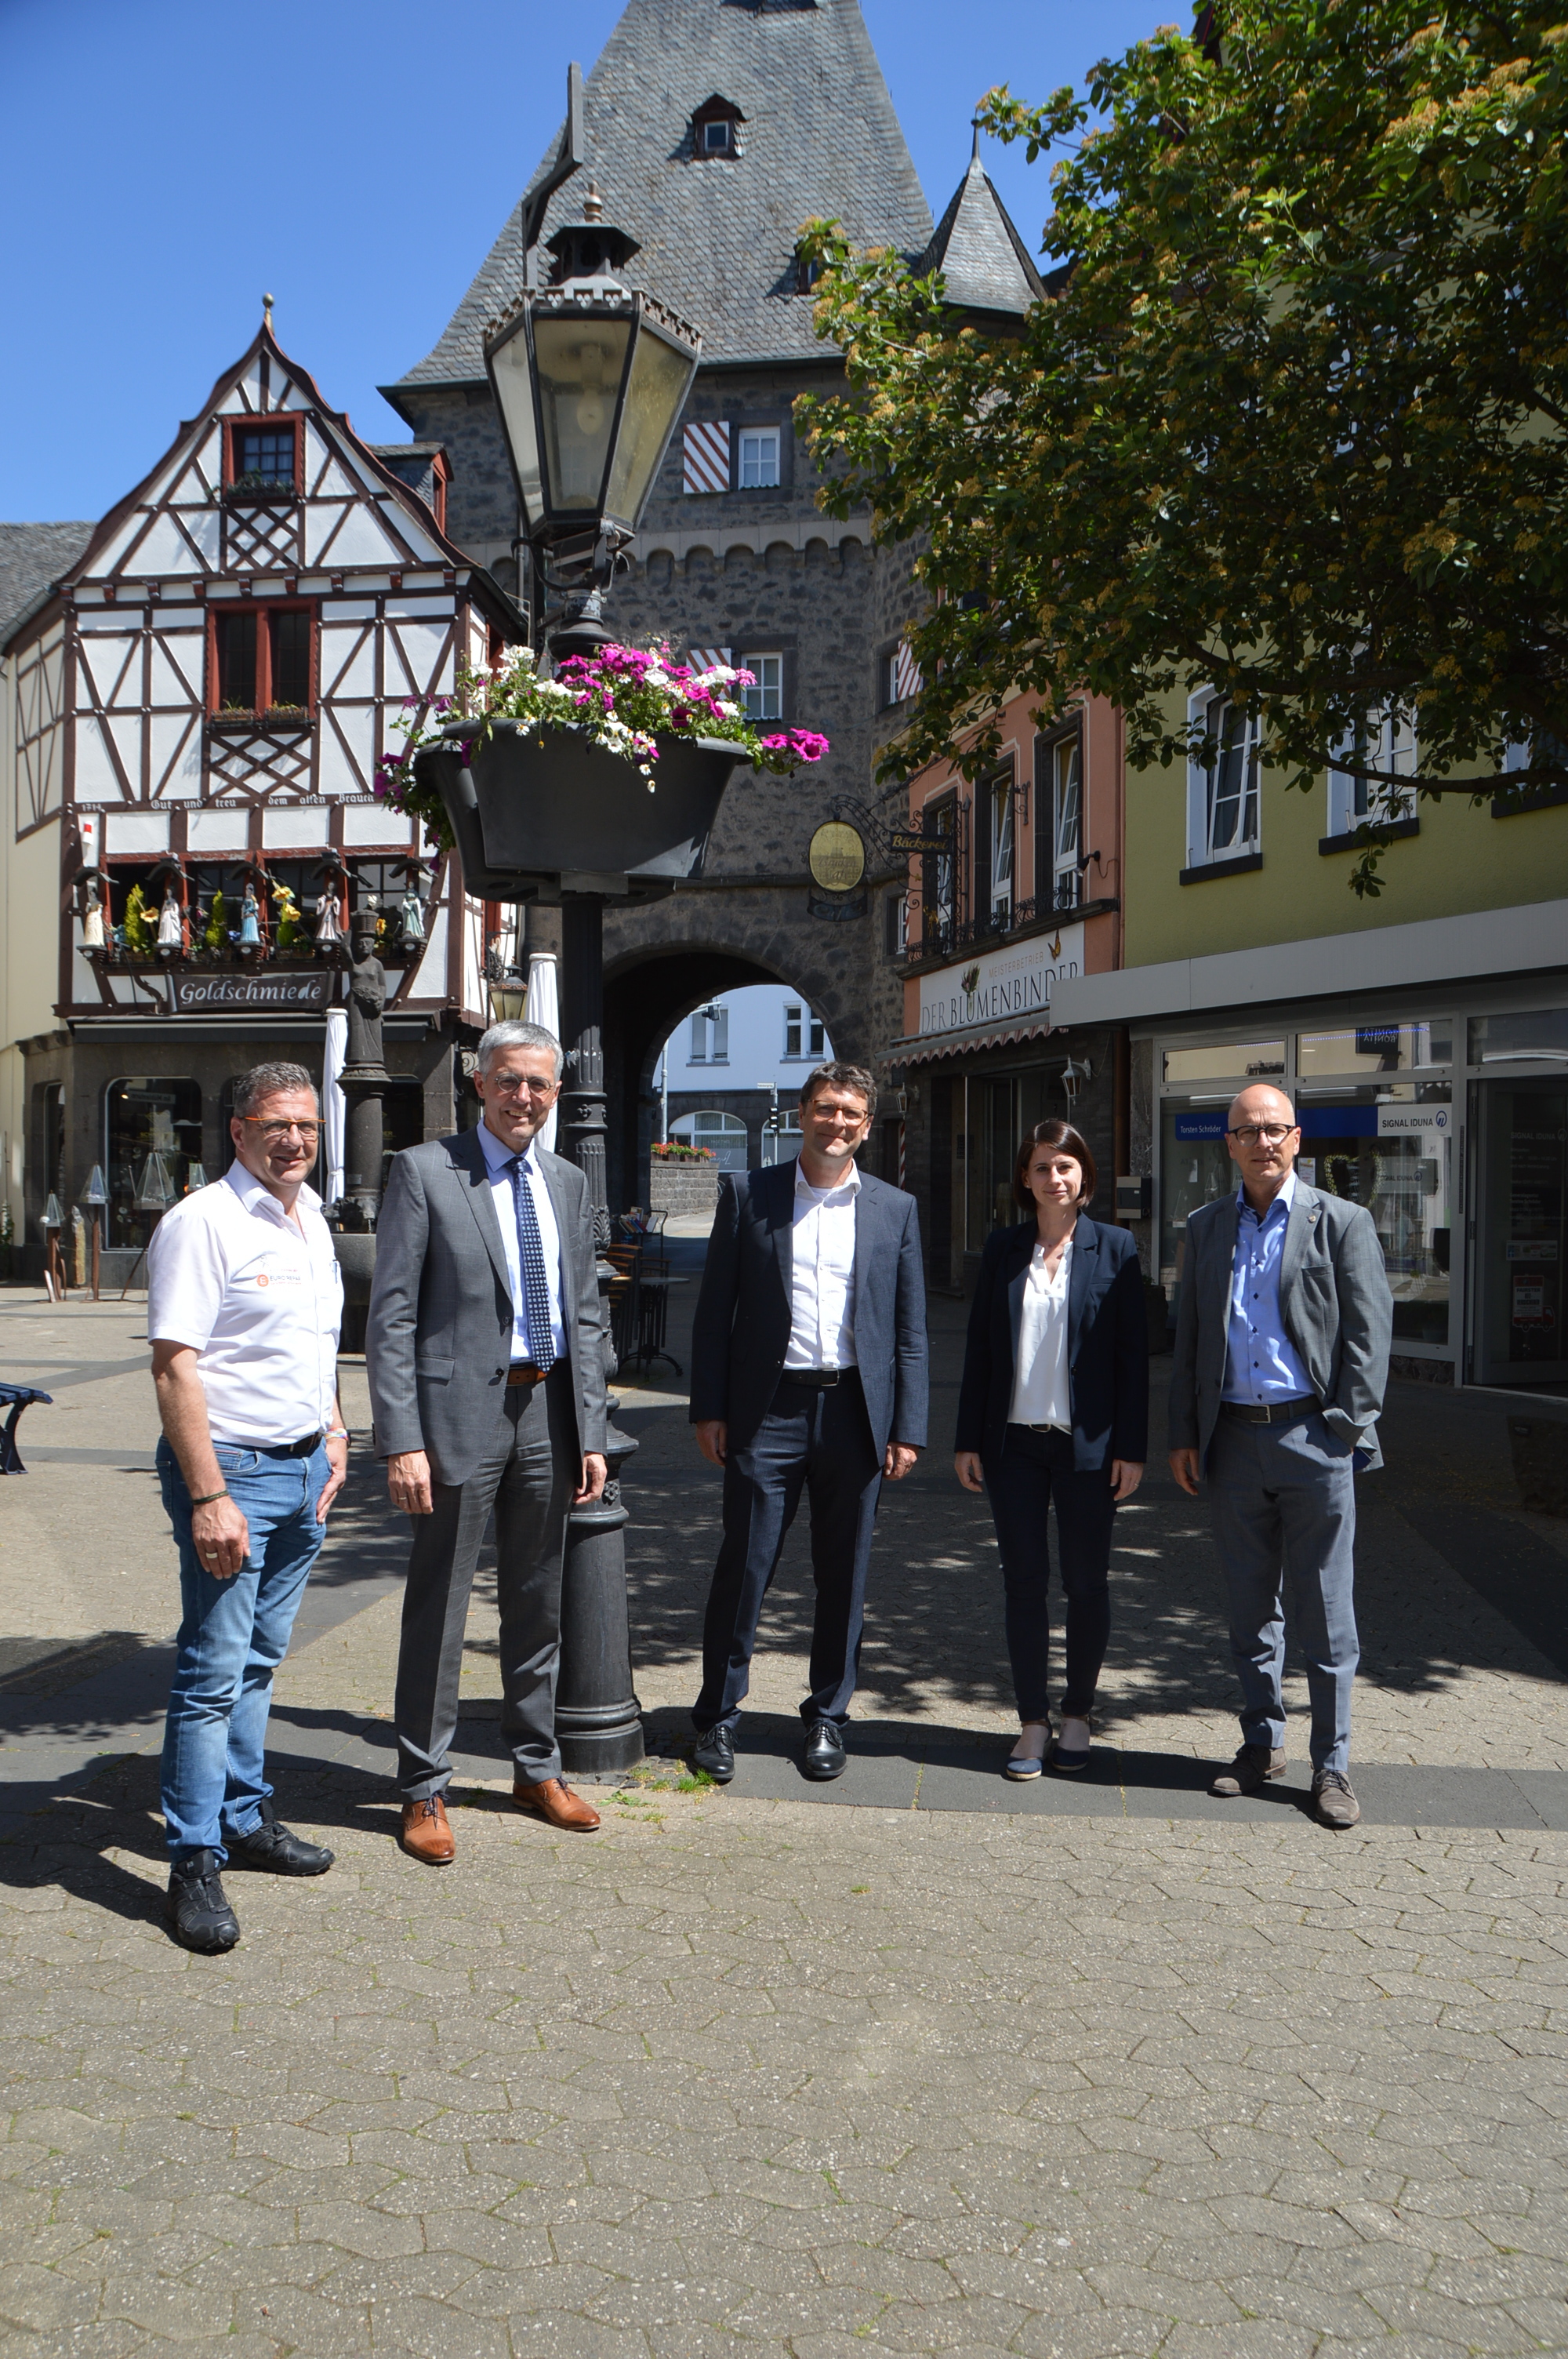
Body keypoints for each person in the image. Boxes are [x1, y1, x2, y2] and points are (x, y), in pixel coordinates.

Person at [367, 1019, 609, 1863]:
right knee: (438, 1606)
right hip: (453, 1423)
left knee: (538, 1600)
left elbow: (584, 1309)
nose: (525, 1097)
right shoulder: (425, 1171)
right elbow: (390, 1315)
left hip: (547, 1413)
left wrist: (593, 1426)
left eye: (539, 1083)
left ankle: (533, 1765)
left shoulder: (568, 1181)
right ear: (479, 1084)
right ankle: (423, 1784)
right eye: (509, 1080)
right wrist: (399, 1437)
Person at [147, 1061, 348, 1954]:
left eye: (307, 1124)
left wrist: (336, 1432)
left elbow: (314, 1343)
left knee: (262, 1659)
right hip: (233, 1475)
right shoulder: (202, 1222)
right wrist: (208, 1496)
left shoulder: (309, 1217)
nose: (296, 1140)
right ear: (238, 1130)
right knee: (210, 1671)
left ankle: (242, 1814)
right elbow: (174, 1365)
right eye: (277, 1124)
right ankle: (192, 1859)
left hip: (304, 1470)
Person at [688, 1060, 928, 1784]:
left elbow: (911, 1330)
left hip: (855, 1412)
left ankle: (827, 1715)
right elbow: (713, 1314)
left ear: (867, 1124)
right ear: (802, 1112)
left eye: (851, 1113)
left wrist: (908, 1426)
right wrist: (709, 1409)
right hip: (769, 1412)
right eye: (826, 1109)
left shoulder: (894, 1208)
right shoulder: (749, 1193)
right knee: (746, 1566)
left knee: (844, 1572)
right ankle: (718, 1718)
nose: (837, 1124)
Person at [1168, 1081, 1392, 1829]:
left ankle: (1333, 1768)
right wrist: (1182, 1435)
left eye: (1275, 1130)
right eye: (1247, 1131)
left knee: (1326, 1613)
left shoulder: (1343, 1221)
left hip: (1312, 1438)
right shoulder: (1204, 1228)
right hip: (1230, 1440)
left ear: (1297, 1139)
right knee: (1248, 1607)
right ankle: (1261, 1745)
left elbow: (1369, 1335)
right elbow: (1191, 1343)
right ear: (1228, 1144)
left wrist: (1346, 1429)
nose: (1262, 1142)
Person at [954, 1120, 1148, 1778]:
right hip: (1013, 1447)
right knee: (1024, 1584)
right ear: (1025, 1179)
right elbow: (979, 1351)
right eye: (1041, 1167)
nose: (1053, 1178)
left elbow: (1132, 1361)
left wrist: (1132, 1447)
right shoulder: (1004, 1250)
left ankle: (1077, 1716)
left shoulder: (1117, 1248)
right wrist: (966, 1441)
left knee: (1088, 1585)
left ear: (1084, 1179)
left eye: (1065, 1167)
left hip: (1088, 1450)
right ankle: (1032, 1722)